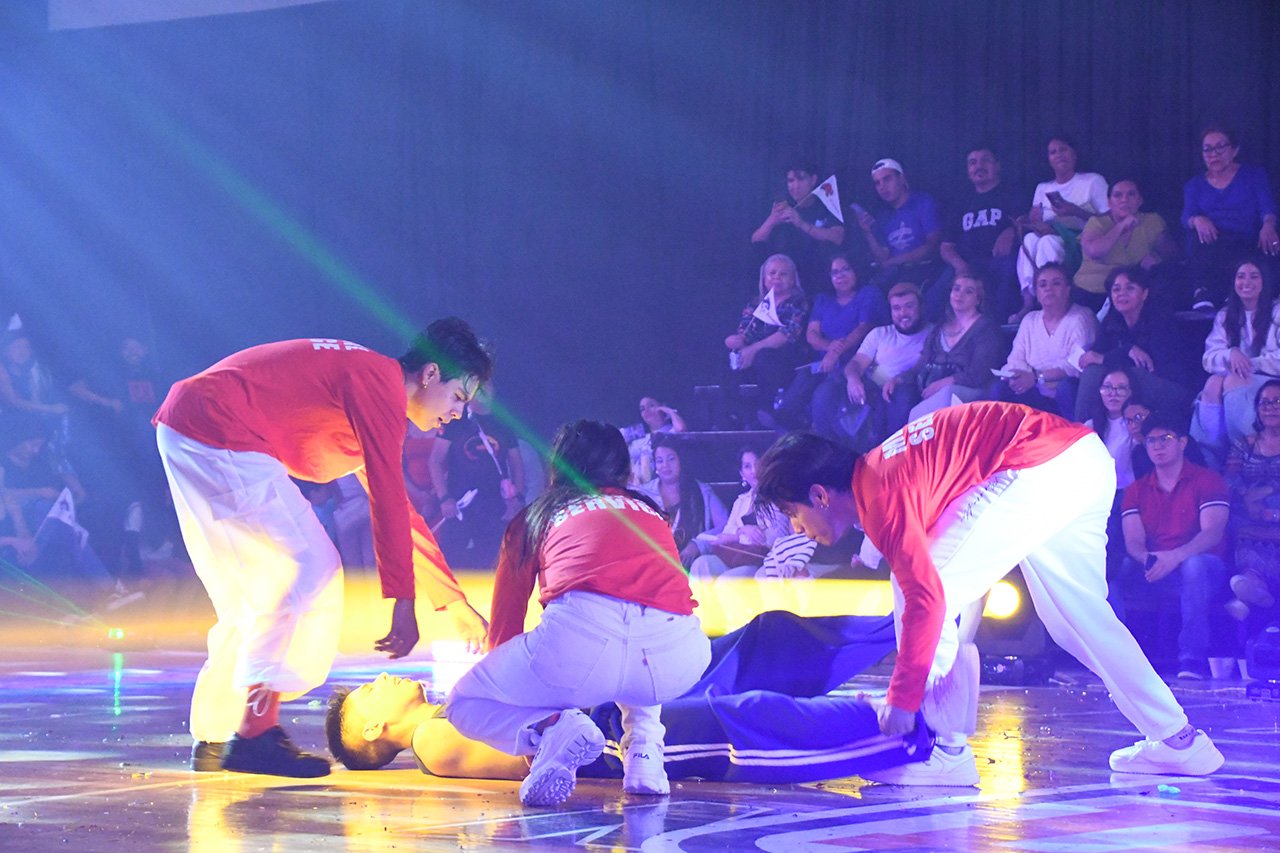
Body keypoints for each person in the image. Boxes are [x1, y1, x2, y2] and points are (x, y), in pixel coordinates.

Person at [755, 401, 1225, 786]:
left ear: (820, 495)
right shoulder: (881, 473)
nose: (797, 528)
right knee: (1078, 619)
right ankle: (1178, 738)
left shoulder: (881, 492)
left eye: (792, 513)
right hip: (1082, 460)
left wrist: (903, 697)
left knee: (927, 585)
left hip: (1038, 465)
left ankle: (943, 751)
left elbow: (928, 595)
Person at [153, 318, 493, 778]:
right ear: (431, 373)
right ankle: (255, 733)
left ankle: (216, 736)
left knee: (256, 600)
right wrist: (402, 600)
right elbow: (390, 501)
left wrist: (449, 601)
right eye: (458, 397)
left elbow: (399, 510)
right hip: (218, 430)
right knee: (307, 569)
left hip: (192, 427)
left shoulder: (368, 385)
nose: (458, 413)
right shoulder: (379, 385)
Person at [326, 611, 931, 784]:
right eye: (370, 693)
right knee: (742, 723)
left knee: (763, 639)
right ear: (375, 731)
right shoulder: (433, 739)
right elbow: (536, 753)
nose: (382, 679)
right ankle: (912, 734)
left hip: (615, 695)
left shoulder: (455, 706)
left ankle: (917, 630)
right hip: (610, 738)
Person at [443, 420, 712, 806]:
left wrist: (527, 709)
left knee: (463, 702)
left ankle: (551, 731)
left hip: (581, 649)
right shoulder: (651, 512)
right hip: (677, 658)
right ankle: (645, 757)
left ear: (558, 466)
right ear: (625, 469)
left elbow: (506, 622)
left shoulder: (536, 516)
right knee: (644, 618)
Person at [1119, 415, 1230, 680]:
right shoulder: (1136, 489)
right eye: (1151, 440)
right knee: (1114, 571)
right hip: (1157, 566)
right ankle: (1120, 656)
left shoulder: (1207, 480)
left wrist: (1175, 556)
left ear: (1182, 442)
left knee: (1194, 566)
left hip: (1203, 566)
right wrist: (1148, 558)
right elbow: (1133, 541)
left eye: (1165, 439)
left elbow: (1212, 533)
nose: (1157, 446)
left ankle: (1192, 658)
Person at [765, 251, 888, 429]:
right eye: (835, 272)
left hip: (862, 361)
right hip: (827, 361)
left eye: (846, 269)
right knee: (804, 376)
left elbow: (863, 328)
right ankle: (785, 422)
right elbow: (812, 334)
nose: (840, 276)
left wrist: (835, 352)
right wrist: (830, 347)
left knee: (823, 393)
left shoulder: (868, 293)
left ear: (856, 271)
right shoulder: (824, 299)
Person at [810, 281, 931, 450]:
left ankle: (892, 454)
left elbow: (924, 367)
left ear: (920, 307)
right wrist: (853, 379)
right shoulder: (880, 333)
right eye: (896, 308)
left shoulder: (933, 334)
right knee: (826, 390)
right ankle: (827, 447)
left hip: (905, 387)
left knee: (902, 395)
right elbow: (856, 363)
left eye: (909, 306)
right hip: (873, 383)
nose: (903, 313)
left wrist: (898, 379)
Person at [1075, 266, 1192, 422]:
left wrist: (1114, 356)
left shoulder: (1161, 320)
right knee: (1080, 380)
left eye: (1130, 288)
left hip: (1168, 388)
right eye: (1116, 289)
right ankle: (1086, 430)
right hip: (1128, 384)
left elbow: (1150, 367)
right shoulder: (1112, 321)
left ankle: (1081, 431)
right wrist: (1126, 351)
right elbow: (1095, 356)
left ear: (1144, 294)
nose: (1121, 294)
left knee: (1112, 376)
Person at [1182, 125, 1280, 309]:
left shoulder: (1254, 175)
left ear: (1234, 150)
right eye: (1207, 149)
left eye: (1220, 147)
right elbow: (1186, 215)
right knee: (1196, 236)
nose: (1214, 154)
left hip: (1247, 236)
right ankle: (1202, 293)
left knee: (1268, 243)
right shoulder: (1194, 184)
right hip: (1214, 239)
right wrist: (1196, 219)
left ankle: (1240, 296)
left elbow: (1267, 206)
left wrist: (1269, 224)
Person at [1190, 259, 1280, 458]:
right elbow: (1208, 358)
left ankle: (1244, 451)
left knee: (1232, 380)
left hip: (1272, 379)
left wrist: (1249, 364)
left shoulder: (1277, 311)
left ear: (1264, 281)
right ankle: (1208, 455)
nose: (1246, 282)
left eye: (1254, 277)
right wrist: (1231, 354)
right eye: (1241, 277)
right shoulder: (1225, 315)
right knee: (1213, 384)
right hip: (1240, 378)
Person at [430, 382, 525, 568]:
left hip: (494, 505)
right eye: (478, 387)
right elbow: (435, 460)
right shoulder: (456, 420)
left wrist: (517, 498)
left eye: (486, 386)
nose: (482, 391)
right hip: (459, 503)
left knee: (492, 562)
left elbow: (517, 464)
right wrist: (444, 498)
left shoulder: (503, 424)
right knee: (450, 561)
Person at [1014, 135, 1109, 315]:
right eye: (1053, 152)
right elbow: (1036, 221)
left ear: (1074, 154)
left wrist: (1075, 211)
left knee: (1048, 242)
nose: (1059, 155)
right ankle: (1028, 302)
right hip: (1048, 233)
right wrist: (1032, 221)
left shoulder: (1092, 181)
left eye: (1063, 150)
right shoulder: (1042, 188)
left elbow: (1108, 220)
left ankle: (1052, 300)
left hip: (1079, 241)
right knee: (1029, 240)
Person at [897, 274, 1006, 420]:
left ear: (978, 299)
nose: (960, 294)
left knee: (946, 395)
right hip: (932, 388)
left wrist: (946, 382)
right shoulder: (939, 327)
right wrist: (898, 380)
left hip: (969, 389)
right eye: (956, 289)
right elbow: (922, 363)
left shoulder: (986, 329)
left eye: (968, 291)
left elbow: (980, 374)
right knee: (900, 393)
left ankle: (913, 429)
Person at [999, 263, 1098, 416]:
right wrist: (1019, 376)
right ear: (1037, 292)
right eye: (1042, 285)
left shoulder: (1081, 317)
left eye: (1056, 283)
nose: (1048, 289)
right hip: (1032, 387)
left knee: (1066, 387)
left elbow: (1076, 364)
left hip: (1063, 390)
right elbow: (1016, 357)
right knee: (999, 389)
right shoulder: (1030, 320)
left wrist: (1037, 377)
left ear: (1067, 289)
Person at [937, 147, 1021, 322]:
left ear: (997, 166)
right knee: (942, 285)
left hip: (998, 260)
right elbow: (946, 247)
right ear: (968, 171)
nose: (979, 166)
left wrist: (1011, 231)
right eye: (973, 163)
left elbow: (1026, 223)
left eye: (985, 160)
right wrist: (959, 265)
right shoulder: (961, 202)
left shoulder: (1012, 194)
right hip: (967, 262)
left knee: (1007, 268)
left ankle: (998, 326)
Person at [1223, 379, 1280, 621]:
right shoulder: (1244, 444)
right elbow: (1230, 480)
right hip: (1250, 515)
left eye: (1277, 401)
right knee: (1240, 527)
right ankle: (1252, 585)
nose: (1270, 407)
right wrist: (1248, 498)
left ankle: (1246, 595)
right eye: (1264, 402)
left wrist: (1267, 494)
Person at [1074, 179, 1177, 312]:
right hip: (1090, 293)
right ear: (1109, 202)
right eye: (1118, 195)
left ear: (1140, 200)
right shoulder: (1097, 222)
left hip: (1129, 294)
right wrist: (1121, 226)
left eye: (1131, 194)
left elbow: (1172, 254)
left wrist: (1158, 257)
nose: (1124, 200)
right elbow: (1094, 252)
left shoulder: (1151, 221)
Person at [725, 254, 810, 400]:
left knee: (764, 357)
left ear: (792, 280)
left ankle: (768, 408)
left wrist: (753, 349)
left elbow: (787, 334)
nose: (777, 277)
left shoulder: (799, 302)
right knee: (727, 359)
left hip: (784, 356)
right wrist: (734, 341)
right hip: (753, 355)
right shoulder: (755, 303)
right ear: (764, 279)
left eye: (783, 274)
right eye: (772, 273)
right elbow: (745, 331)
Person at [751, 158, 846, 289]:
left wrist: (801, 223)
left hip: (820, 280)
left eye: (801, 179)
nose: (795, 186)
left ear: (813, 180)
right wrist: (772, 220)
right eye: (791, 180)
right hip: (786, 283)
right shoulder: (782, 204)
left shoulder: (826, 203)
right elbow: (756, 240)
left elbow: (837, 237)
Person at [854, 158, 944, 292]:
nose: (882, 187)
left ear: (901, 178)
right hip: (894, 276)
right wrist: (868, 233)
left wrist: (898, 260)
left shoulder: (923, 202)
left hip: (924, 271)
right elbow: (883, 258)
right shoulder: (883, 217)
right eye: (877, 183)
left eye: (887, 179)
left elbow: (933, 244)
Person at [641, 434, 729, 567]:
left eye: (671, 459)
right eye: (659, 461)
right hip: (652, 566)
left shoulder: (702, 491)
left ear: (681, 460)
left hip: (691, 567)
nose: (665, 465)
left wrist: (699, 544)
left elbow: (725, 527)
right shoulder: (644, 494)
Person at [620, 395, 686, 486]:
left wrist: (669, 411)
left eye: (651, 406)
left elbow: (681, 429)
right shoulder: (640, 437)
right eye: (642, 409)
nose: (646, 411)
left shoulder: (670, 432)